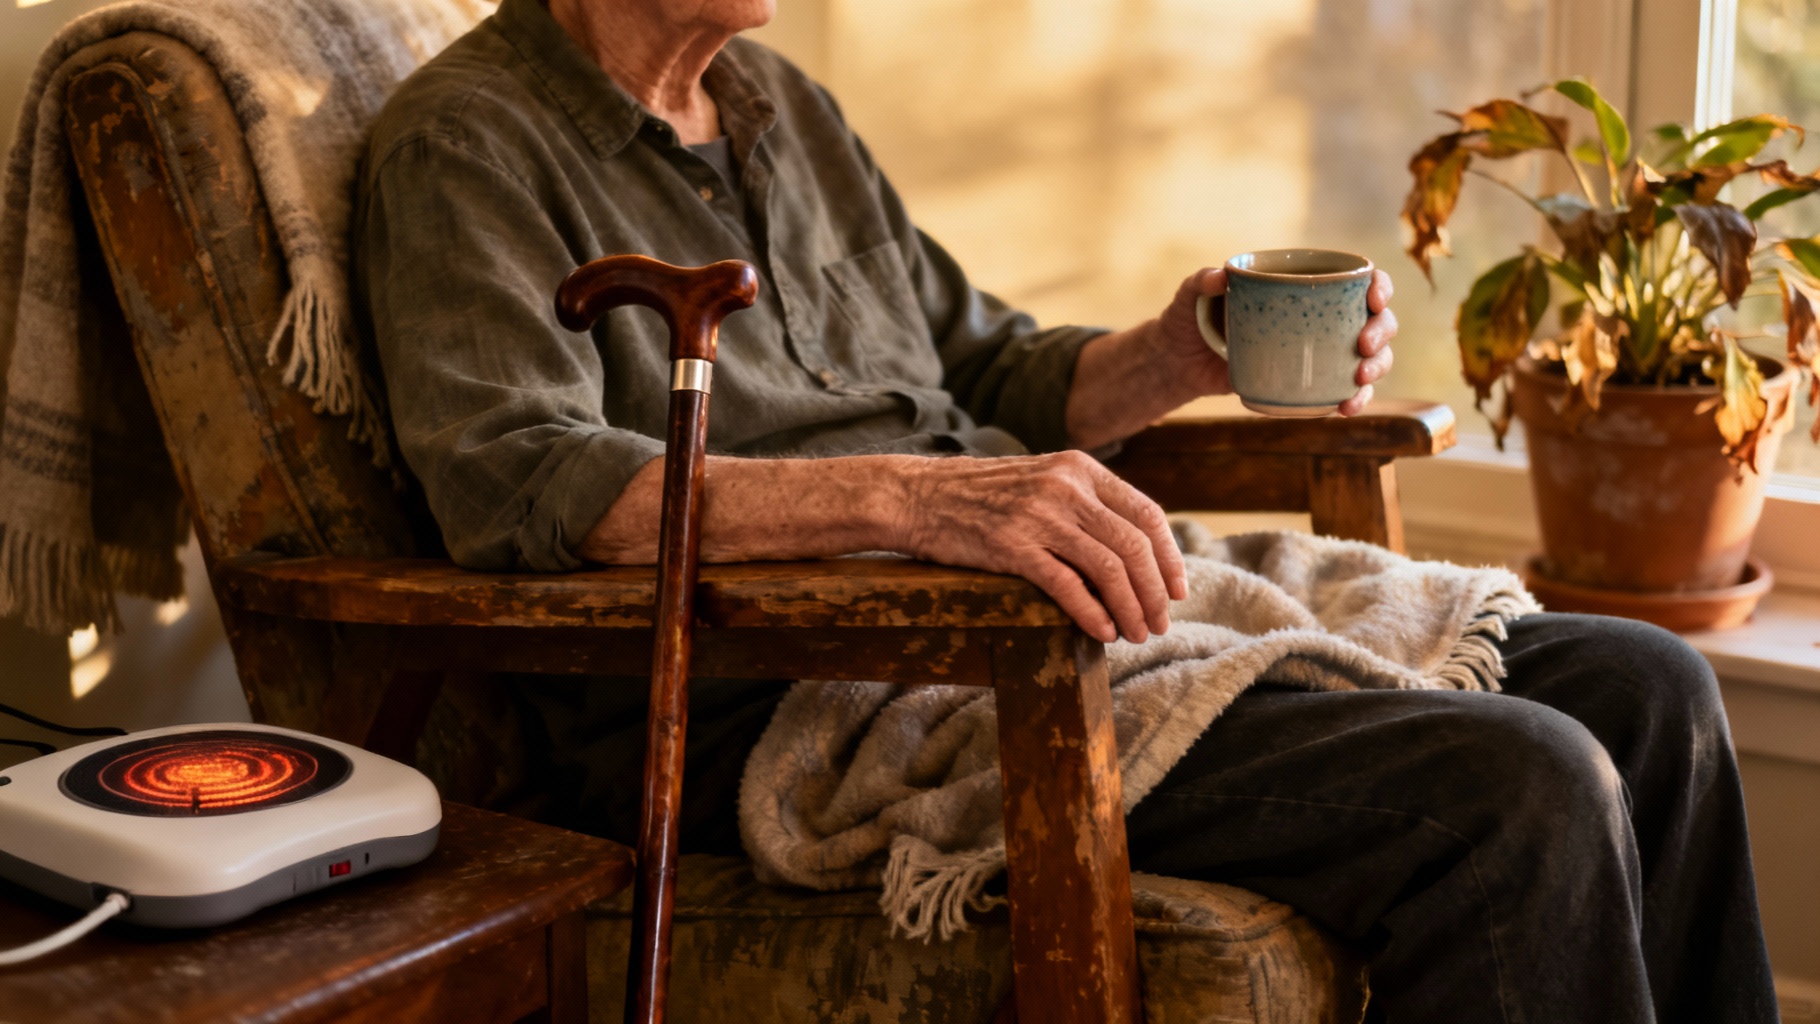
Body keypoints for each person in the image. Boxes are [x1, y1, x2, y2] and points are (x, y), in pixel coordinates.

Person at [352, 0, 1777, 1019]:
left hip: (1024, 606)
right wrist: (930, 505)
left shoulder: (786, 113)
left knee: (1650, 687)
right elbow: (521, 479)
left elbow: (985, 368)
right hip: (798, 684)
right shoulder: (466, 145)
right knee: (1518, 789)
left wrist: (1178, 354)